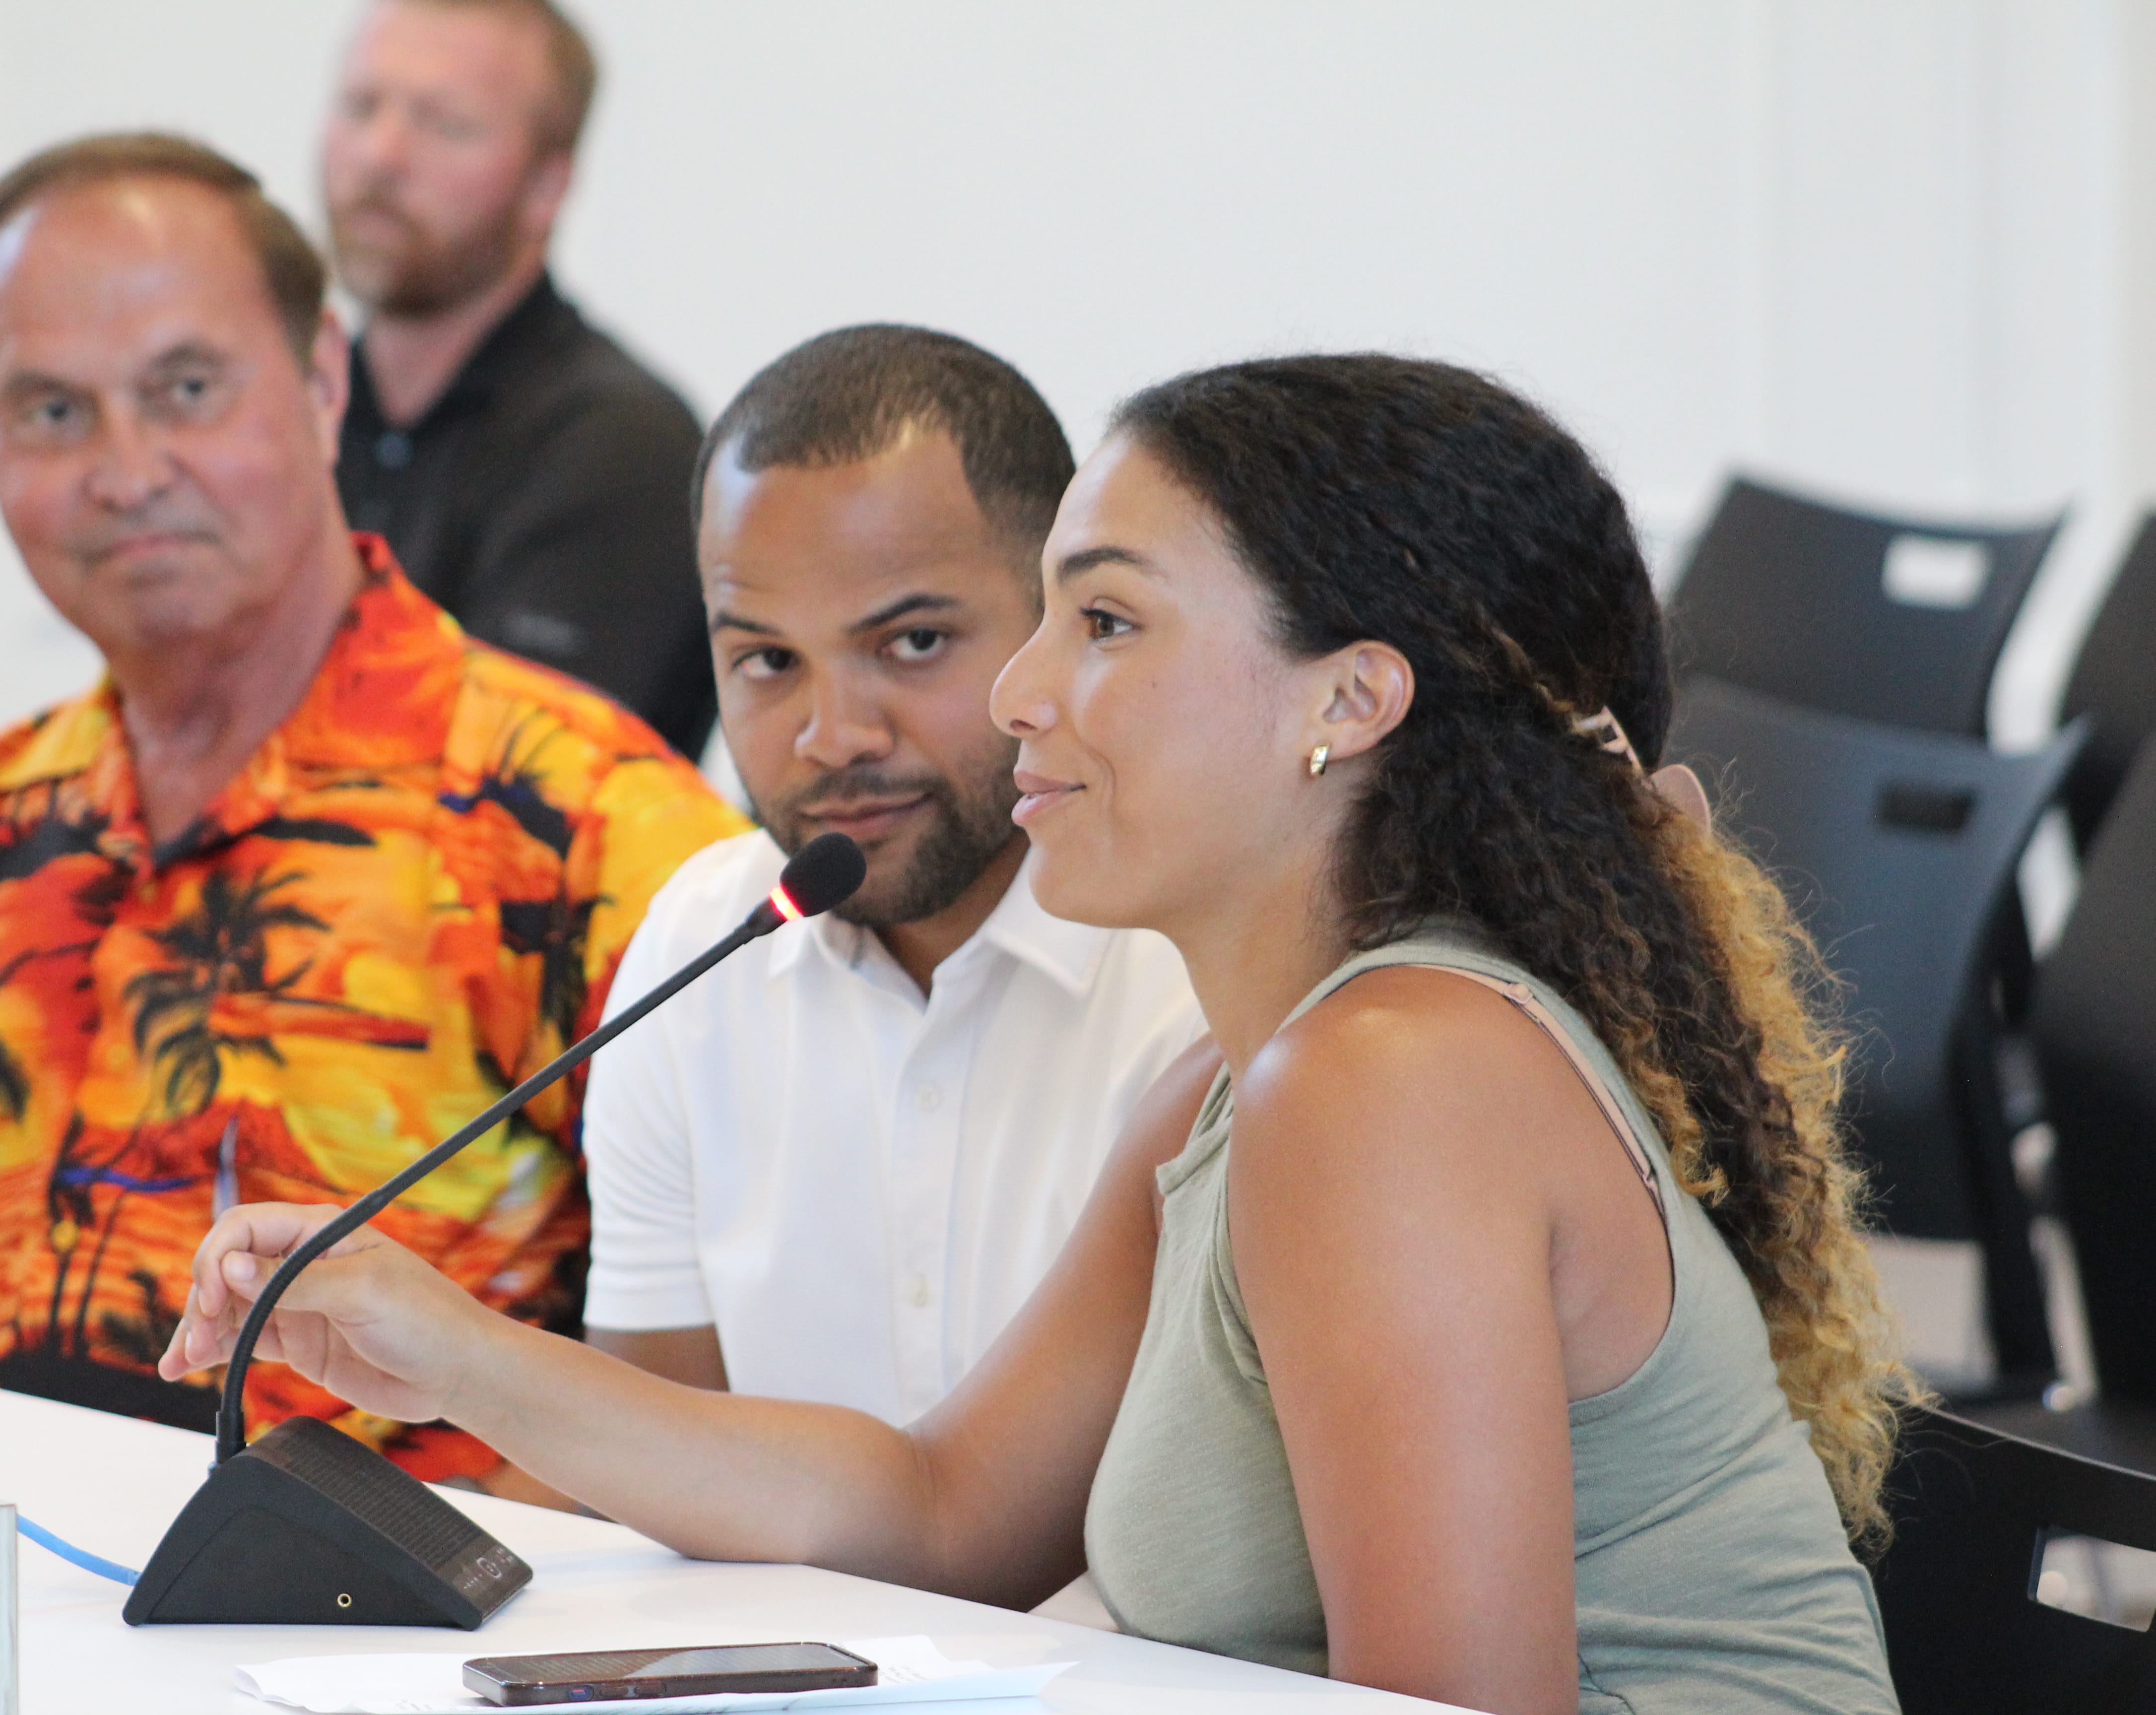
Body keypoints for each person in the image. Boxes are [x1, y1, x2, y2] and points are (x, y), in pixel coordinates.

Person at [166, 355, 1915, 1713]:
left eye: (1103, 621)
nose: (1021, 694)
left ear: (1345, 700)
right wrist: (446, 1347)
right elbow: (938, 1513)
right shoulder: (1241, 1080)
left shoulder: (1386, 1083)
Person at [0, 132, 745, 1496]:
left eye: (184, 389)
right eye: (52, 413)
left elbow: (764, 1382)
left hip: (392, 1655)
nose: (126, 471)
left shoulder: (586, 828)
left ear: (322, 385)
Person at [578, 327, 1205, 1421]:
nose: (834, 735)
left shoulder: (1206, 962)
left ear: (1065, 621)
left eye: (912, 644)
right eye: (768, 661)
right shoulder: (696, 951)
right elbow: (657, 1471)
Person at [325, 0, 715, 758]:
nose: (380, 155)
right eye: (361, 106)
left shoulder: (623, 445)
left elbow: (510, 794)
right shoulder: (288, 418)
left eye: (447, 124)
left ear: (547, 186)